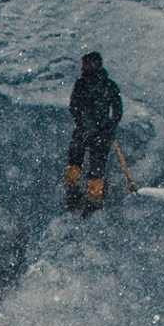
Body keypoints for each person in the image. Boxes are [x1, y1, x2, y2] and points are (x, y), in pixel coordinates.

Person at [65, 51, 124, 214]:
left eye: (86, 64)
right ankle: (76, 193)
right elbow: (74, 107)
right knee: (76, 162)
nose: (83, 67)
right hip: (89, 130)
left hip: (98, 131)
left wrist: (108, 127)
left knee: (94, 167)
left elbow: (117, 110)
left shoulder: (107, 85)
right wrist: (85, 124)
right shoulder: (83, 84)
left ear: (95, 64)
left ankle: (91, 200)